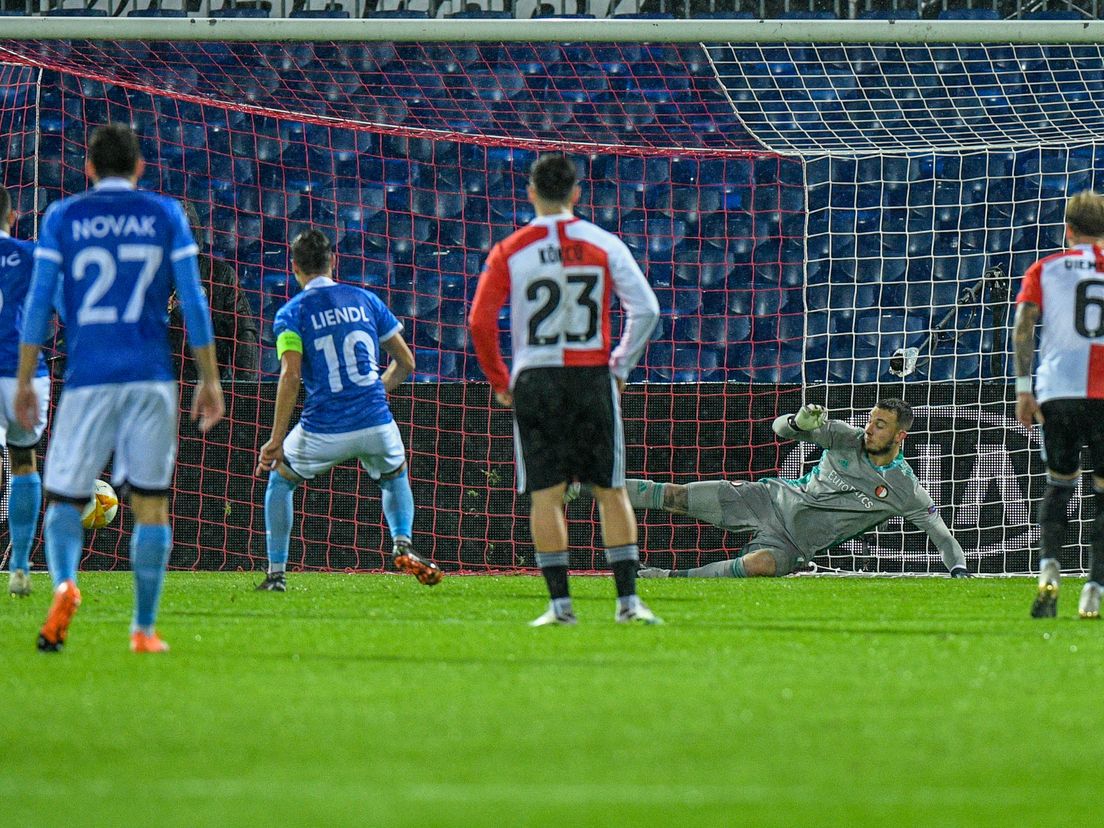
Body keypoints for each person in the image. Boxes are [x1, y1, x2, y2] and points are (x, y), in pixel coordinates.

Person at [15, 123, 225, 653]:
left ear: (88, 167)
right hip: (151, 377)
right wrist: (209, 377)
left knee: (63, 501)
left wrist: (23, 377)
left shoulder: (61, 216)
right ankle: (144, 630)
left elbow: (39, 305)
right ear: (140, 168)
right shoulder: (164, 214)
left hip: (88, 379)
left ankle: (65, 586)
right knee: (151, 504)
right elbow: (195, 301)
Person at [468, 153, 662, 626]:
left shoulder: (511, 249)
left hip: (536, 378)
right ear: (576, 194)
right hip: (590, 374)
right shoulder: (603, 243)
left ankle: (561, 607)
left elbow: (478, 322)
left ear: (531, 193)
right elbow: (648, 310)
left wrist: (499, 380)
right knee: (610, 490)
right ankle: (628, 604)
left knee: (546, 494)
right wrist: (619, 366)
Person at [254, 229, 440, 590]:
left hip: (323, 427)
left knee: (280, 481)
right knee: (394, 473)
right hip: (375, 422)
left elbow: (291, 375)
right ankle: (402, 541)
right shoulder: (366, 300)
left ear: (293, 268)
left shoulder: (291, 314)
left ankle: (276, 574)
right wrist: (374, 392)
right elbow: (406, 363)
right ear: (333, 262)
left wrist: (276, 440)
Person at [619, 400, 970, 580]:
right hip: (767, 499)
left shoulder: (904, 488)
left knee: (760, 565)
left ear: (899, 436)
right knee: (676, 497)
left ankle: (667, 577)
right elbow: (780, 430)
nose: (869, 430)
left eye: (880, 426)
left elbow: (941, 535)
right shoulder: (844, 436)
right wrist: (798, 422)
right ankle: (588, 487)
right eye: (870, 421)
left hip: (793, 544)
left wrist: (958, 570)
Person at [1014, 190, 1104, 619]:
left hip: (1059, 392)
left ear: (1067, 230)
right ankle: (1095, 590)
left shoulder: (1044, 268)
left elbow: (1023, 325)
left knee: (1061, 482)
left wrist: (1023, 389)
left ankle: (1049, 569)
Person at [0, 186, 49, 597]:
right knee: (23, 462)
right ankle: (20, 566)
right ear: (12, 215)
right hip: (21, 372)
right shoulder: (30, 255)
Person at [168, 201, 259, 383]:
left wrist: (243, 391)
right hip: (160, 389)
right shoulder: (151, 276)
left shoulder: (219, 274)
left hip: (208, 386)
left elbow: (244, 333)